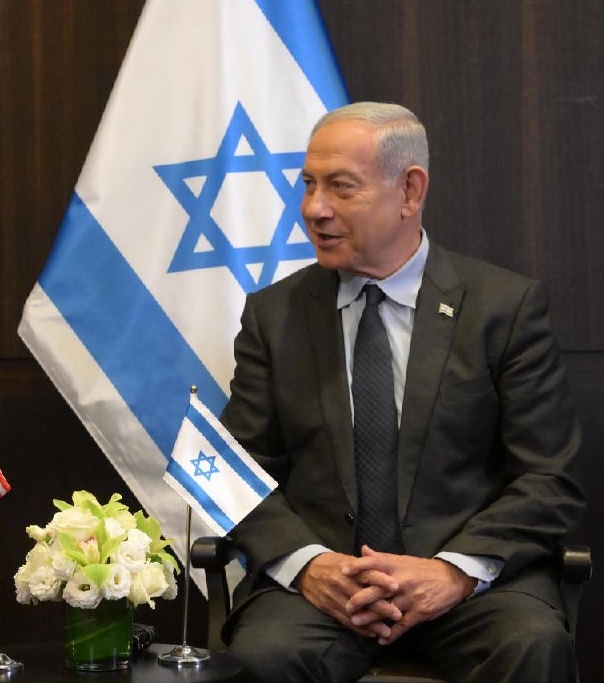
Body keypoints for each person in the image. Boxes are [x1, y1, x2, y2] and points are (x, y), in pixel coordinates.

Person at [220, 102, 584, 682]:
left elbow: (549, 476)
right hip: (325, 589)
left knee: (531, 646)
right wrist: (310, 566)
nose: (315, 209)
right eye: (309, 185)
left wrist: (455, 572)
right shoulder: (275, 315)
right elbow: (234, 470)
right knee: (262, 659)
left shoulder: (502, 308)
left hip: (472, 588)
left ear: (409, 191)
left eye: (341, 187)